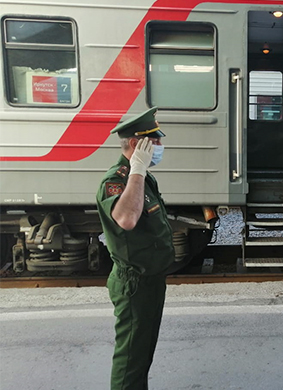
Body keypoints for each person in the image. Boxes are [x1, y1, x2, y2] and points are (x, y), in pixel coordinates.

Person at [96, 107, 175, 390]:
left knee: (141, 357)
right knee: (130, 360)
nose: (160, 147)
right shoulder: (117, 181)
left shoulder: (142, 177)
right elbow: (127, 219)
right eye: (154, 141)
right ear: (135, 144)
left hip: (151, 280)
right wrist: (138, 170)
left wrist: (141, 172)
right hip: (134, 284)